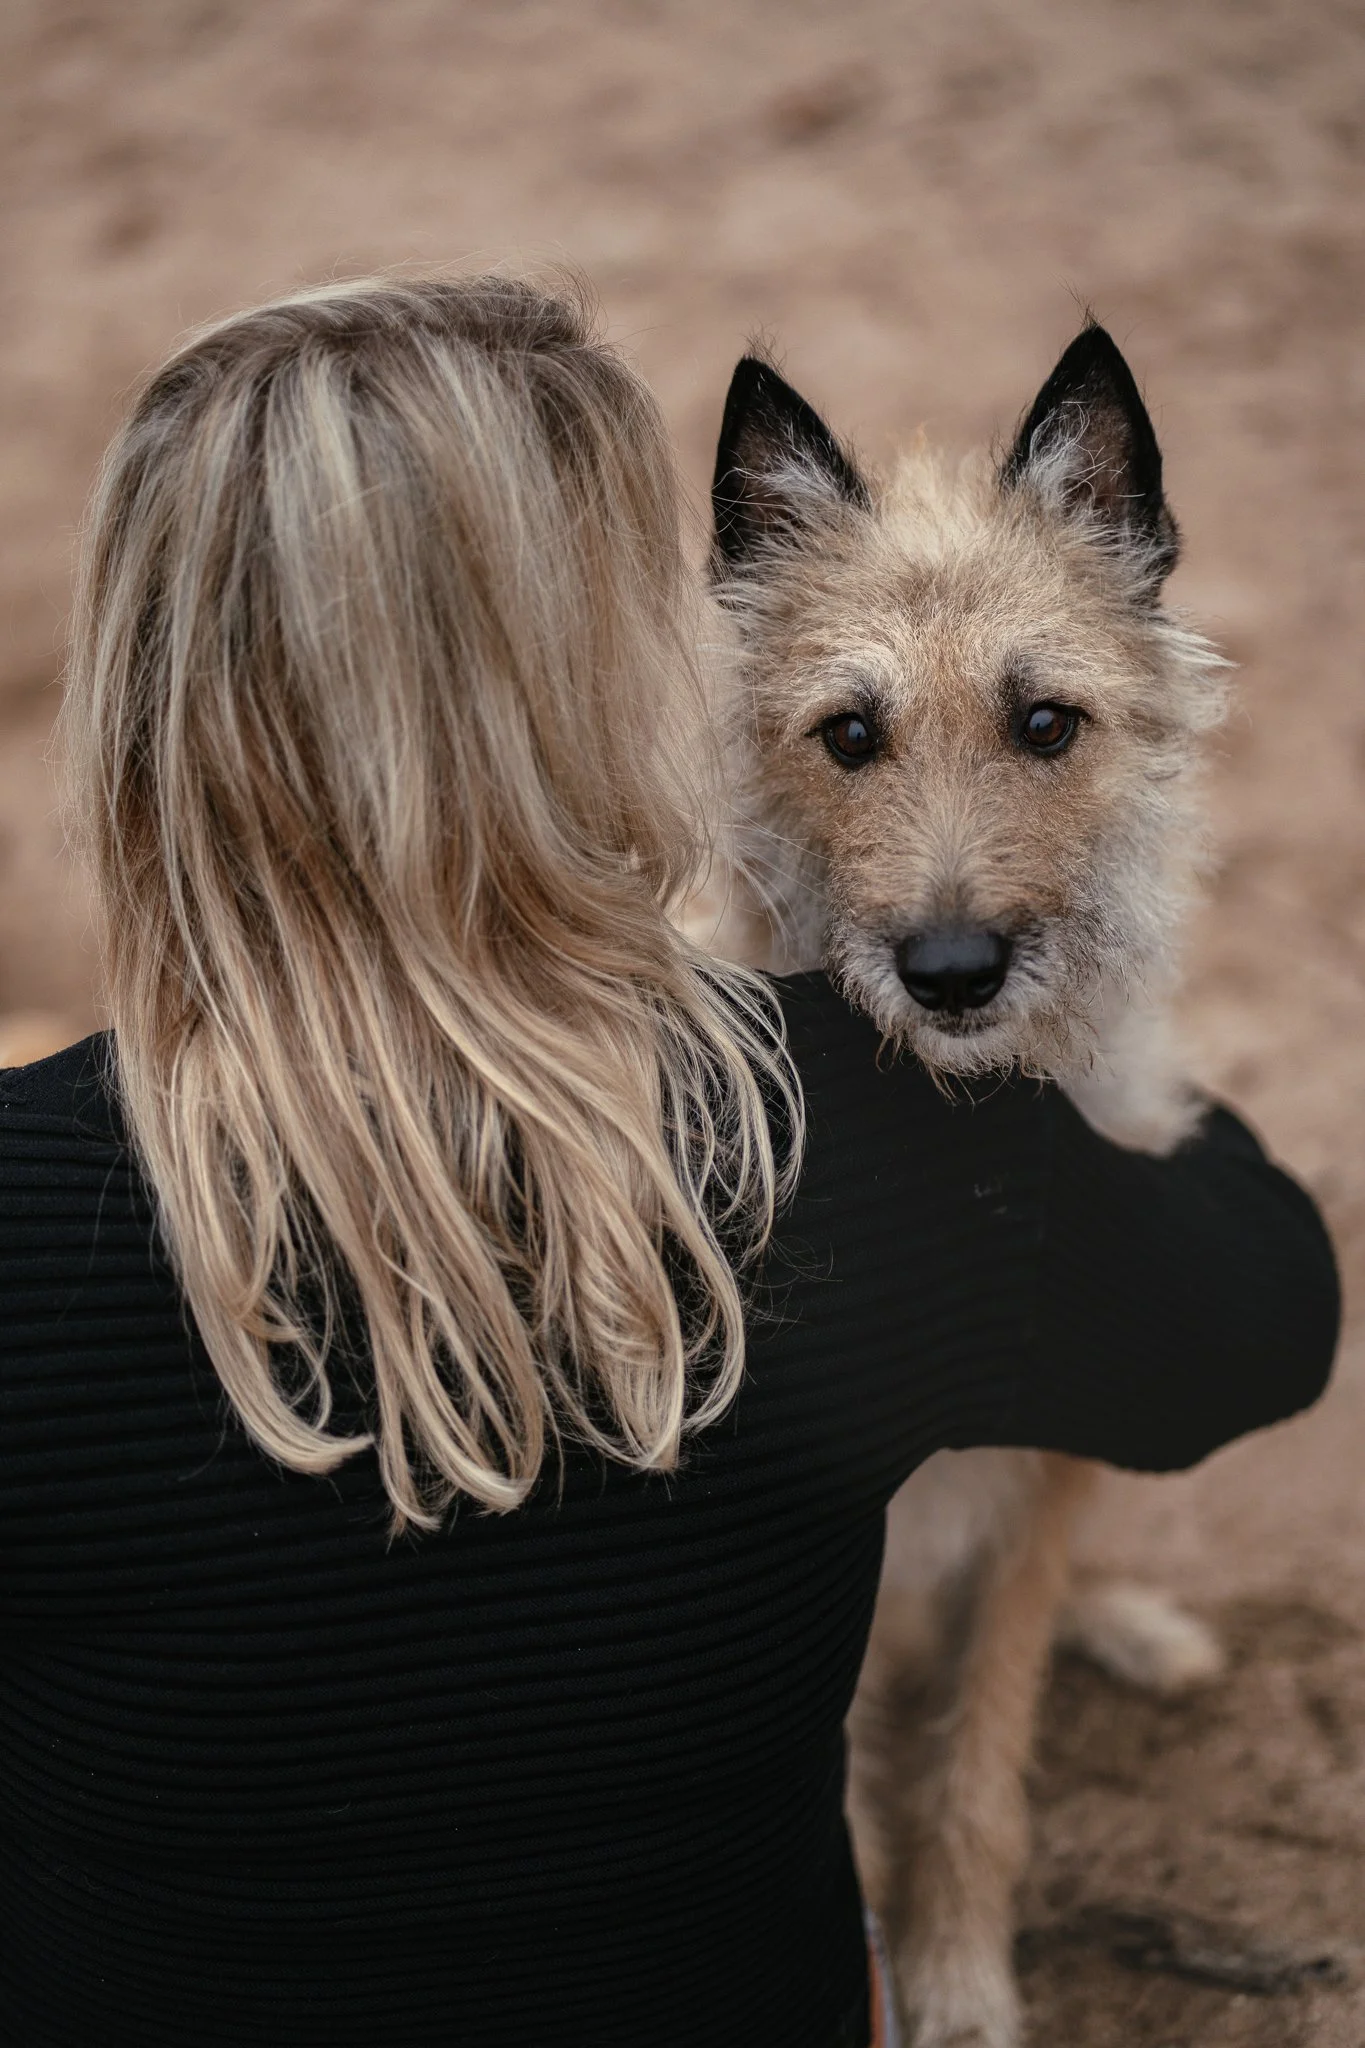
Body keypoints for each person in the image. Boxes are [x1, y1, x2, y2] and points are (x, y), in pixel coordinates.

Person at [0, 274, 1336, 2048]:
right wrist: (1085, 1090)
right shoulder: (870, 1147)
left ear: (130, 701)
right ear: (606, 695)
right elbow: (1274, 1313)